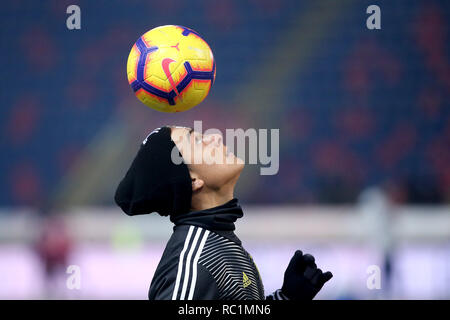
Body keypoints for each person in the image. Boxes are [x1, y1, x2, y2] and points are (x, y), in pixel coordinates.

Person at [114, 125, 332, 300]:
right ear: (192, 181)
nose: (216, 138)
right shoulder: (194, 262)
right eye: (198, 141)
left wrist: (287, 297)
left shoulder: (217, 243)